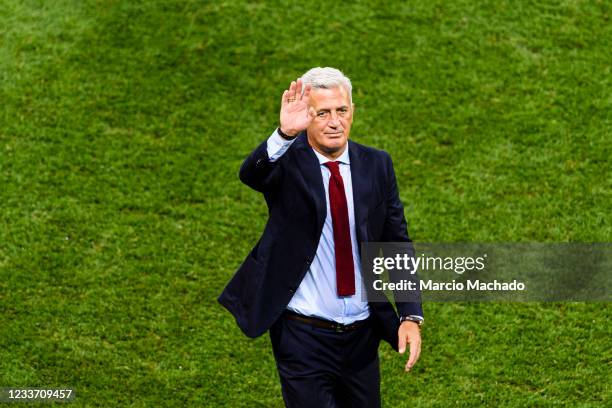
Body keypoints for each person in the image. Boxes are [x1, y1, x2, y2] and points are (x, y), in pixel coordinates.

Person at [218, 67, 423, 408]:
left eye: (341, 111)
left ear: (352, 111)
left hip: (361, 335)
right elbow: (250, 174)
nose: (334, 122)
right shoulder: (287, 161)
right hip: (302, 336)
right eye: (322, 113)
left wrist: (410, 315)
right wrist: (284, 134)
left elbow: (396, 243)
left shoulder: (377, 164)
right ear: (307, 116)